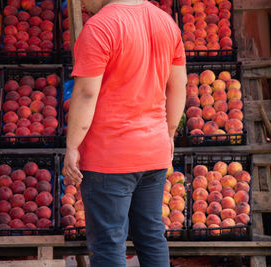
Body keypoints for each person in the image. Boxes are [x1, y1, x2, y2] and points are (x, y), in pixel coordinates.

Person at [63, 0, 187, 266]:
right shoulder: (166, 22)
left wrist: (72, 146)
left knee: (108, 244)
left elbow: (86, 93)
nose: (82, 2)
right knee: (152, 236)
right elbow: (179, 86)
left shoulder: (99, 27)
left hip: (109, 156)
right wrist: (169, 133)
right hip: (153, 150)